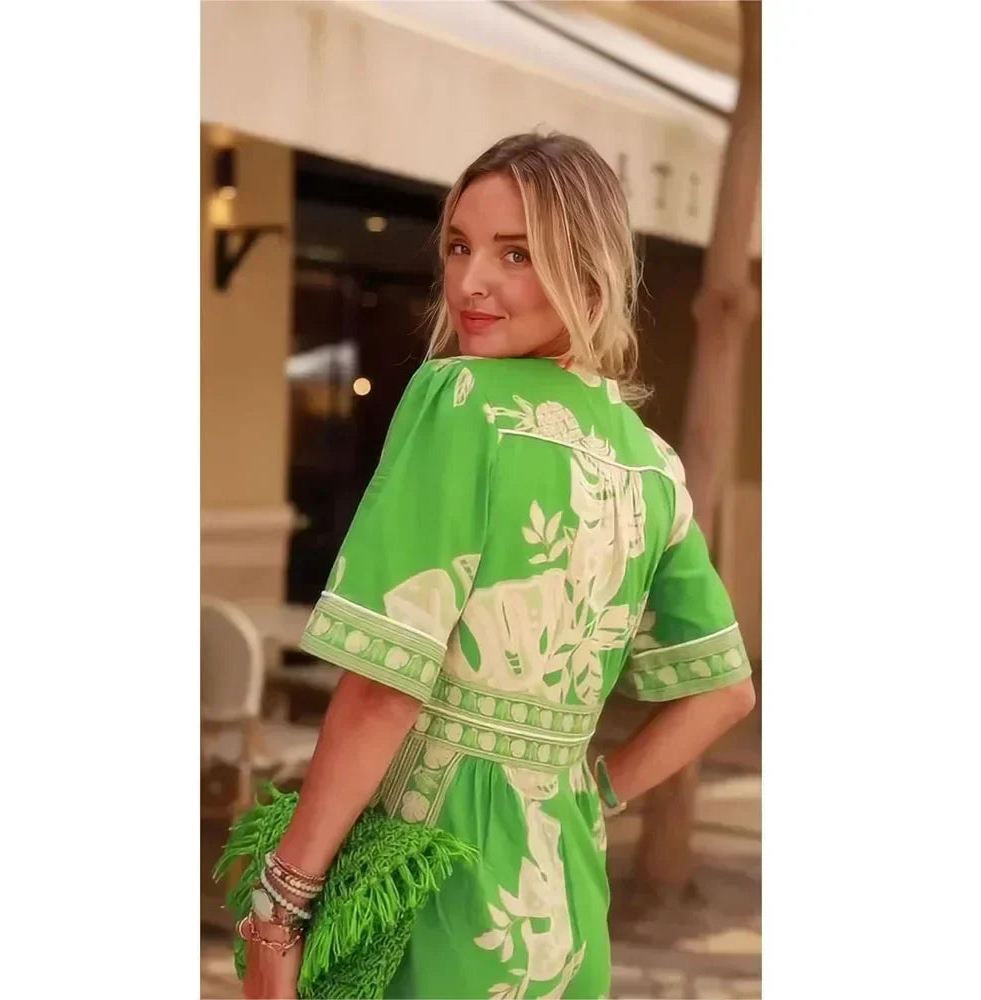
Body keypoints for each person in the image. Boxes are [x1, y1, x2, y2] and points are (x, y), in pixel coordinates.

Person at [239, 132, 755, 1000]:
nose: (471, 281)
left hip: (432, 889)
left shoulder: (461, 403)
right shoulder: (653, 464)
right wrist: (594, 792)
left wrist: (281, 901)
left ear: (589, 270)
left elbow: (385, 687)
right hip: (565, 903)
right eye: (459, 246)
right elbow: (725, 691)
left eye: (516, 253)